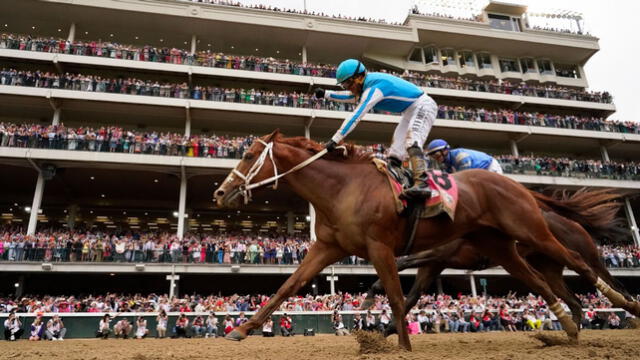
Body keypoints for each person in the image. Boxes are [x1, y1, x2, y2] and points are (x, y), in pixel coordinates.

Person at [314, 59, 438, 199]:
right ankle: (402, 182)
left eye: (348, 83)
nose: (347, 88)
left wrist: (335, 139)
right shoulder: (367, 84)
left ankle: (423, 184)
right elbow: (351, 96)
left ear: (359, 77)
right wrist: (326, 94)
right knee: (395, 154)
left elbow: (356, 116)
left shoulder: (375, 88)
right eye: (344, 85)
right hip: (410, 110)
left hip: (423, 106)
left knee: (412, 142)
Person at [425, 139, 503, 174]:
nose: (436, 159)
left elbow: (464, 178)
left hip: (490, 167)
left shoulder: (460, 156)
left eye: (437, 155)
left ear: (445, 151)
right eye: (433, 157)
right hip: (479, 172)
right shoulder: (446, 163)